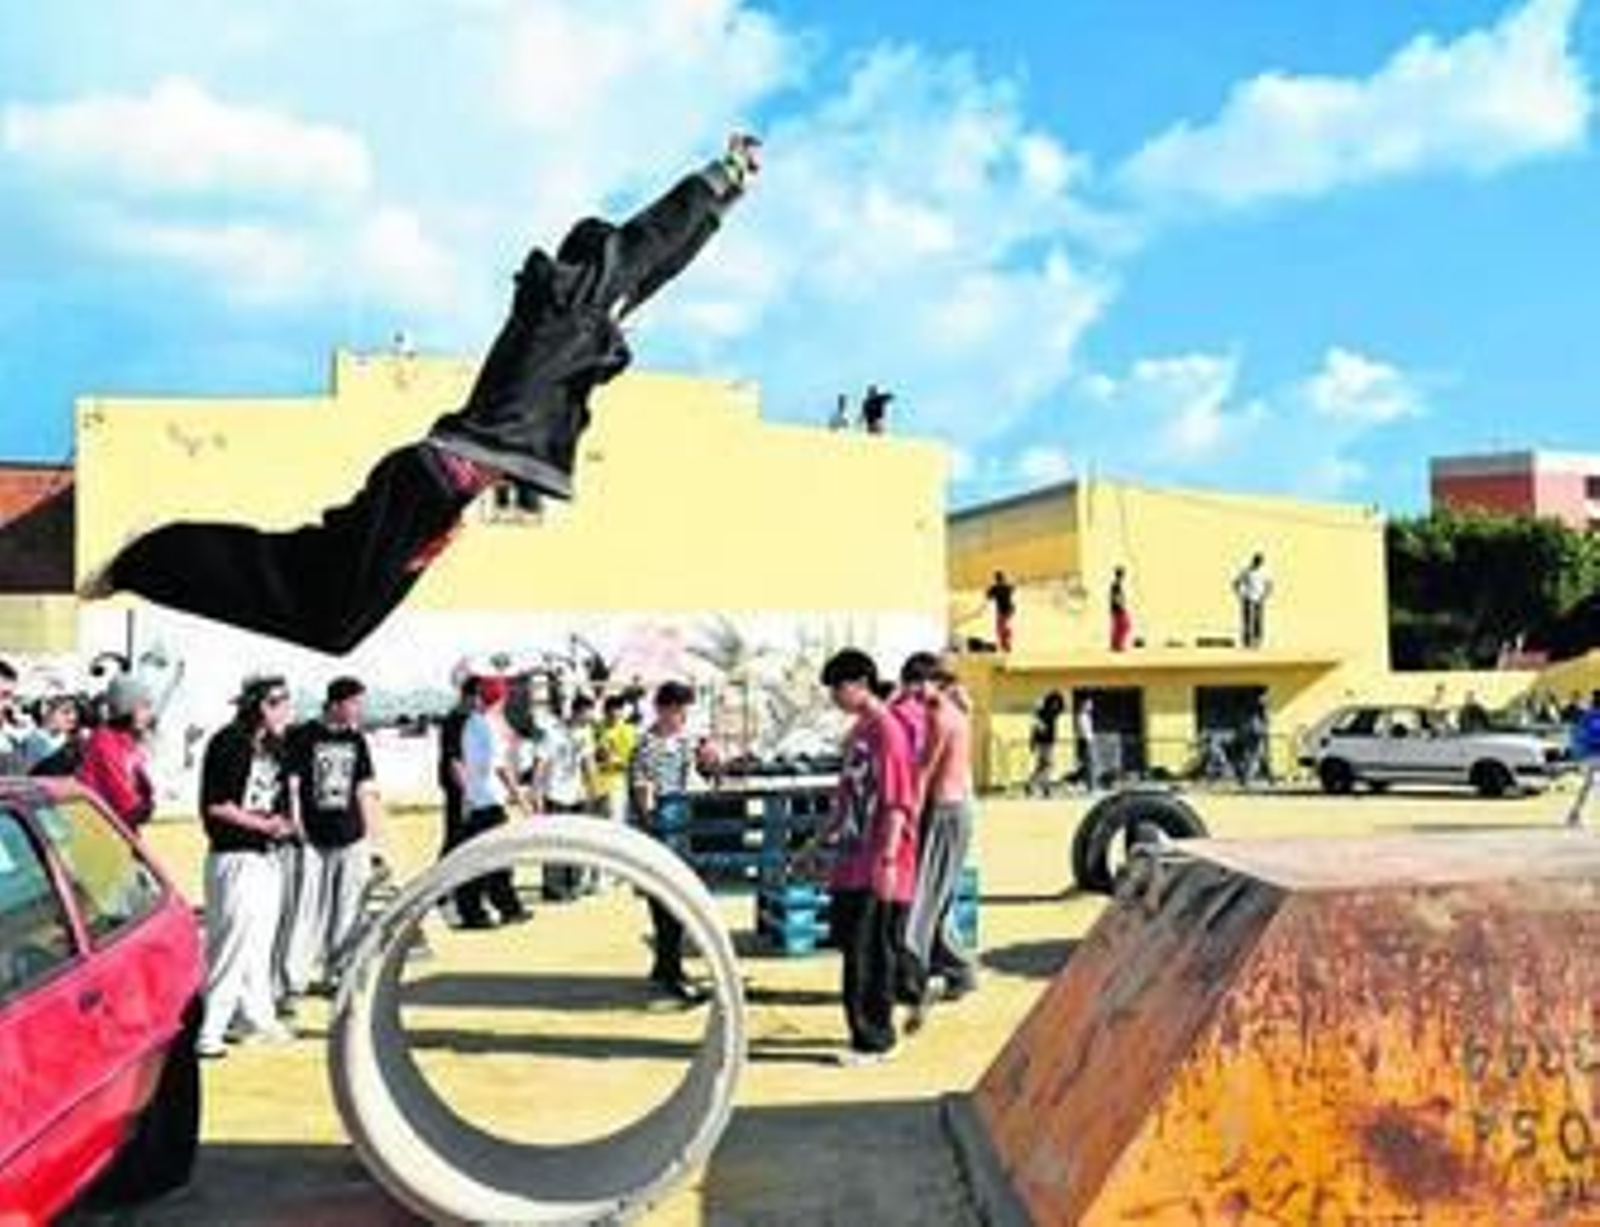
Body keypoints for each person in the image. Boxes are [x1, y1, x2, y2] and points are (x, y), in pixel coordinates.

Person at [82, 136, 763, 655]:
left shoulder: (573, 323)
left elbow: (653, 268)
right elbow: (649, 248)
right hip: (430, 481)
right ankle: (153, 553)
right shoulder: (574, 300)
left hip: (435, 491)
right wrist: (720, 183)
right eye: (621, 294)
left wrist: (721, 210)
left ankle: (157, 558)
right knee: (317, 600)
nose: (630, 308)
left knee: (332, 621)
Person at [818, 649, 919, 1065]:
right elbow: (846, 797)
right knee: (856, 943)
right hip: (852, 857)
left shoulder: (887, 732)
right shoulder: (860, 730)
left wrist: (889, 859)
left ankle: (874, 1039)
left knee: (868, 953)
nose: (833, 698)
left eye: (837, 689)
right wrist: (819, 841)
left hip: (878, 858)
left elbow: (898, 801)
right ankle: (913, 984)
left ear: (859, 683)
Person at [196, 676, 299, 1058]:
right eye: (279, 703)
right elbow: (217, 805)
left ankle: (255, 1016)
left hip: (265, 855)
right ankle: (210, 1030)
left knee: (260, 944)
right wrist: (264, 824)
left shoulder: (274, 747)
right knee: (232, 944)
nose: (286, 710)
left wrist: (282, 825)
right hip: (234, 857)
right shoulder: (229, 743)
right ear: (261, 706)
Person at [283, 677, 382, 993]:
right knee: (307, 909)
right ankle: (294, 977)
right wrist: (297, 826)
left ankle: (337, 972)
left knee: (349, 909)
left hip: (351, 835)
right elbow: (293, 785)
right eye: (354, 703)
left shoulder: (357, 740)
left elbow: (365, 789)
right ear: (336, 704)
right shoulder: (303, 735)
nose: (358, 709)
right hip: (312, 838)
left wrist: (373, 838)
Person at [903, 658, 979, 1029]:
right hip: (954, 810)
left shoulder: (939, 713)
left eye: (915, 685)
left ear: (930, 681)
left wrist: (907, 817)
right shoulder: (956, 706)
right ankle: (960, 970)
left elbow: (924, 771)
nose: (912, 694)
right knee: (938, 899)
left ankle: (912, 981)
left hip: (944, 812)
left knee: (922, 900)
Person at [629, 682, 704, 1002]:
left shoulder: (685, 743)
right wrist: (651, 823)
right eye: (678, 710)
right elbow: (640, 788)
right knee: (667, 906)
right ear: (662, 709)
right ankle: (671, 971)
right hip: (658, 834)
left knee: (675, 905)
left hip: (681, 831)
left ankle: (665, 965)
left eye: (686, 710)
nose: (683, 716)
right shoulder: (646, 744)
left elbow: (695, 777)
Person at [454, 675, 531, 929]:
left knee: (480, 859)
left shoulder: (471, 723)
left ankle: (475, 910)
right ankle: (505, 908)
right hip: (490, 801)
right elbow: (500, 767)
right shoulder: (489, 725)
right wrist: (519, 796)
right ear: (501, 697)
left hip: (477, 799)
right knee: (498, 860)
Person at [531, 695, 596, 900]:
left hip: (577, 794)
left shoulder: (586, 732)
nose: (589, 718)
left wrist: (592, 788)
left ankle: (573, 883)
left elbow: (588, 761)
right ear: (575, 711)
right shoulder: (553, 732)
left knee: (577, 841)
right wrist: (536, 792)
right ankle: (552, 887)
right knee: (555, 841)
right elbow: (540, 763)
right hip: (555, 793)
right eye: (586, 714)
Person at [77, 677, 156, 828]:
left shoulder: (125, 740)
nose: (149, 714)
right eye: (144, 707)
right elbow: (129, 806)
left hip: (119, 831)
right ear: (127, 708)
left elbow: (145, 791)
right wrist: (144, 806)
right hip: (101, 832)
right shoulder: (105, 742)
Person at [1567, 691, 1600, 829]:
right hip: (1592, 754)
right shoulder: (1592, 717)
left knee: (1589, 785)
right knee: (1590, 785)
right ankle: (1574, 815)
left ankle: (1574, 814)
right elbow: (1591, 736)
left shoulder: (1587, 716)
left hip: (1587, 755)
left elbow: (1575, 736)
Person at [1025, 691, 1065, 797]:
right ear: (1050, 701)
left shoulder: (1053, 713)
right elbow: (1034, 728)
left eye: (1057, 702)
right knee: (1047, 765)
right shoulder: (1042, 713)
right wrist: (1032, 742)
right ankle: (1045, 788)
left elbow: (1062, 709)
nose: (1056, 704)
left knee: (1042, 766)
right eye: (1054, 702)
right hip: (1043, 743)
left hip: (1049, 742)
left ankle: (1031, 784)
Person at [1234, 553, 1274, 649]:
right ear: (1253, 561)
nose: (1258, 563)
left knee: (1258, 620)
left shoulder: (1264, 572)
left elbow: (1269, 584)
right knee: (1247, 620)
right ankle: (1246, 640)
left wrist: (1264, 595)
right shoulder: (1246, 571)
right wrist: (1240, 593)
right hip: (1247, 597)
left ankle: (1257, 639)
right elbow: (1236, 582)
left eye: (1259, 561)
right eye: (1256, 560)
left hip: (1258, 598)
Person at [985, 571, 1016, 653]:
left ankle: (1006, 642)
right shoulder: (1007, 587)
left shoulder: (995, 588)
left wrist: (990, 587)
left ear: (996, 579)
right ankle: (1006, 640)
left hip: (1002, 611)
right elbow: (1013, 588)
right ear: (1002, 578)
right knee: (1002, 626)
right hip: (1010, 609)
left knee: (1000, 628)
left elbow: (988, 596)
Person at [1075, 694, 1100, 791]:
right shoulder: (1082, 716)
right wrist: (1089, 742)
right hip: (1086, 742)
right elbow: (1084, 732)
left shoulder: (1086, 716)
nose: (1091, 706)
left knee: (1090, 763)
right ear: (1084, 704)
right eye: (1089, 704)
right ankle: (1090, 786)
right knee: (1090, 763)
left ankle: (1090, 785)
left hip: (1088, 741)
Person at [1109, 566, 1132, 652]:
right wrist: (1122, 607)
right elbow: (1116, 598)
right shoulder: (1116, 585)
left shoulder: (1116, 585)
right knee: (1124, 625)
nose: (1124, 576)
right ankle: (1117, 645)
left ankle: (1116, 644)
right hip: (1118, 608)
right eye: (1123, 574)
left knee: (1119, 626)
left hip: (1116, 608)